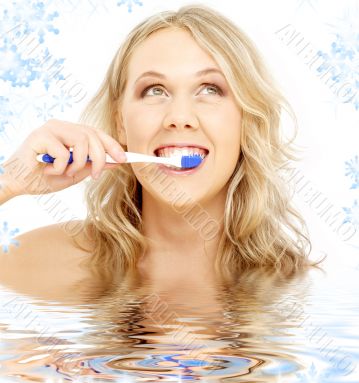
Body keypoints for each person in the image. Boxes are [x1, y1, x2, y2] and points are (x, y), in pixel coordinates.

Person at [0, 4, 324, 300]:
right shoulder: (40, 262)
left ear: (246, 120)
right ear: (121, 123)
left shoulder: (294, 289)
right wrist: (8, 182)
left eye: (210, 89)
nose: (179, 118)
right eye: (155, 90)